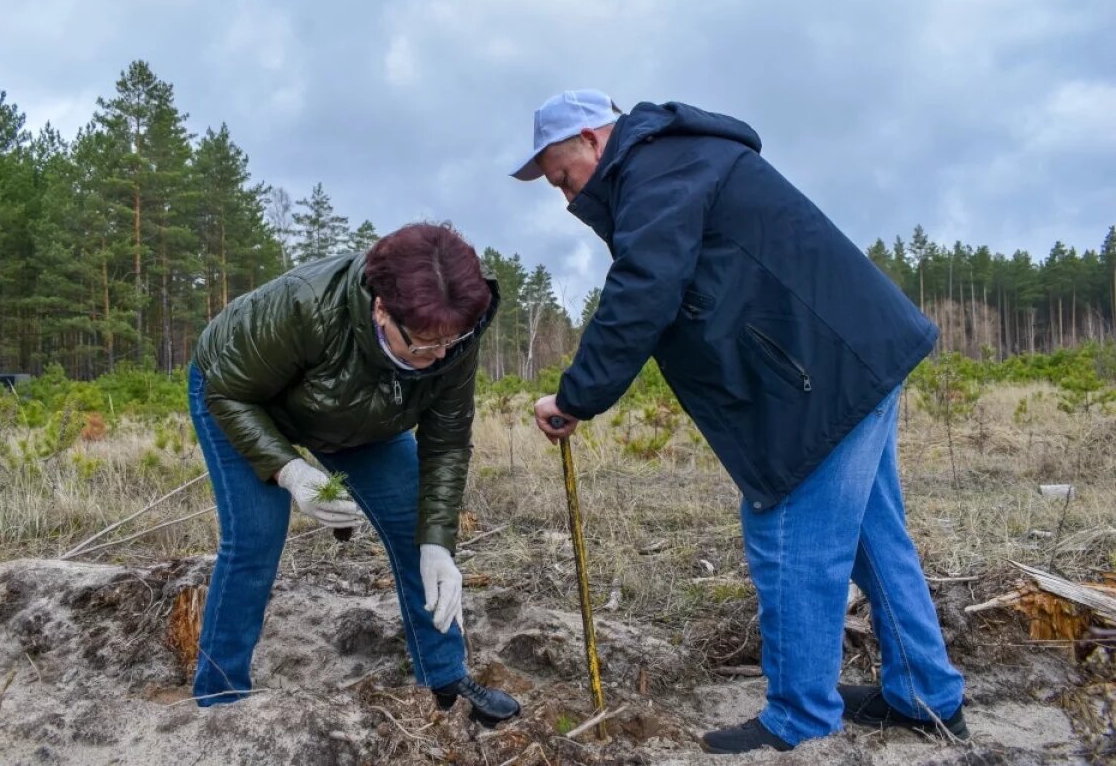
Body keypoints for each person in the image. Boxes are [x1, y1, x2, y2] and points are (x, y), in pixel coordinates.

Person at [511, 90, 966, 754]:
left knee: (788, 536)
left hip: (820, 378)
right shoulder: (673, 160)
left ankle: (800, 718)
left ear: (590, 140)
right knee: (873, 539)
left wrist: (576, 397)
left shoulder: (656, 168)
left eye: (562, 177)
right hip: (848, 358)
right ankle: (926, 694)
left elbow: (644, 289)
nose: (566, 196)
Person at [188, 221, 520, 726]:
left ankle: (444, 677)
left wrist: (437, 543)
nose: (440, 356)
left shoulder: (450, 331)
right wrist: (290, 471)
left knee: (416, 525)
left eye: (451, 342)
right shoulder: (305, 306)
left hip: (359, 413)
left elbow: (447, 442)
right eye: (423, 345)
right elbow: (229, 393)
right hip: (239, 394)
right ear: (381, 308)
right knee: (256, 535)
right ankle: (220, 698)